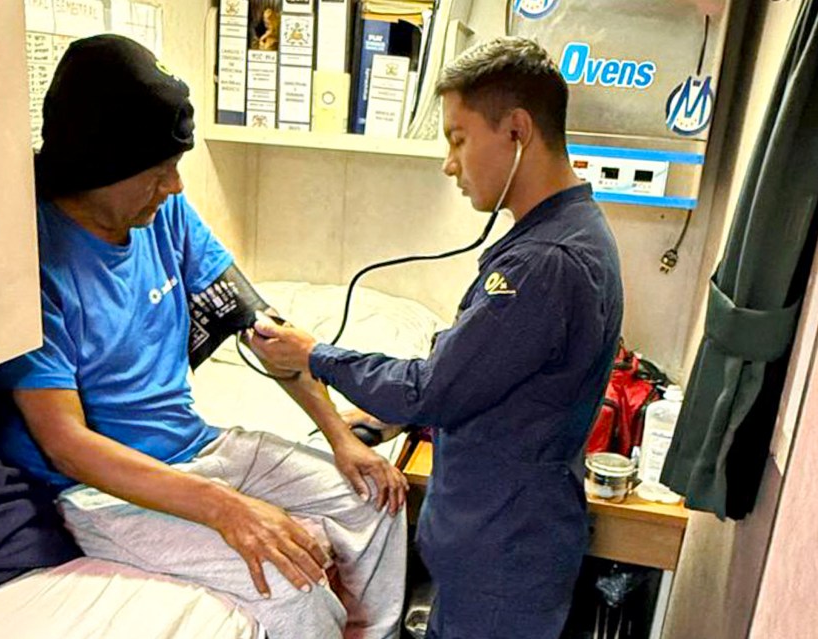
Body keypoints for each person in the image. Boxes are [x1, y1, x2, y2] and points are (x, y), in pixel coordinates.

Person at [0, 34, 407, 639]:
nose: (176, 188)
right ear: (98, 164)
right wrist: (227, 509)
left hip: (198, 445)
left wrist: (341, 437)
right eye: (159, 172)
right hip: (99, 490)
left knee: (375, 500)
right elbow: (66, 445)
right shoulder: (34, 260)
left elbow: (263, 328)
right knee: (291, 585)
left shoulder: (164, 216)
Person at [249, 37, 624, 639]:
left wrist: (315, 355)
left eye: (457, 139)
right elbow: (480, 371)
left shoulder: (543, 264)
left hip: (502, 553)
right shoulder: (566, 234)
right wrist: (381, 421)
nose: (450, 163)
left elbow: (433, 389)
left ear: (517, 131)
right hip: (501, 542)